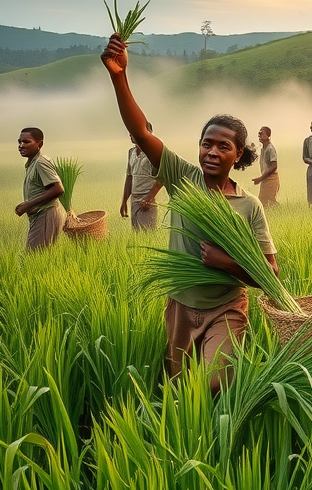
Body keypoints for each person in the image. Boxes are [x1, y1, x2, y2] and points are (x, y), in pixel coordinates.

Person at [102, 33, 278, 393]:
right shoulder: (183, 178)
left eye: (223, 146)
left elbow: (271, 274)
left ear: (238, 153)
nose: (212, 152)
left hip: (226, 309)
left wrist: (227, 263)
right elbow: (139, 131)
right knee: (182, 389)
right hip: (180, 306)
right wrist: (119, 77)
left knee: (216, 383)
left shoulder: (249, 205)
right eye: (206, 143)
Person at [15, 127, 66, 251]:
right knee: (37, 257)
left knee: (34, 257)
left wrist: (28, 205)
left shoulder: (40, 163)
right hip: (40, 215)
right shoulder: (33, 163)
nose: (21, 145)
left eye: (26, 142)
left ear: (40, 144)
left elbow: (58, 189)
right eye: (19, 142)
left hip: (45, 214)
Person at [121, 122, 165, 230]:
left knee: (147, 237)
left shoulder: (154, 152)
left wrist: (149, 198)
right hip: (134, 200)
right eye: (130, 131)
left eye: (134, 131)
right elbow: (129, 177)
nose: (130, 134)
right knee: (137, 236)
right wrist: (124, 201)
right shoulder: (131, 152)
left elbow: (163, 176)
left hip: (147, 200)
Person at [252, 126, 279, 206]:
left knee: (269, 203)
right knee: (263, 202)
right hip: (265, 179)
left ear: (268, 136)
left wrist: (260, 178)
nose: (259, 135)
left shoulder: (270, 149)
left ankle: (284, 212)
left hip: (271, 180)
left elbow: (274, 166)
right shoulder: (263, 148)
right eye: (258, 134)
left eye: (261, 133)